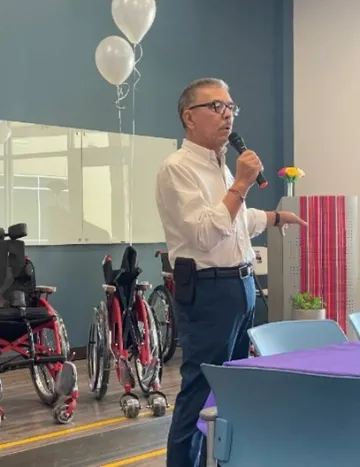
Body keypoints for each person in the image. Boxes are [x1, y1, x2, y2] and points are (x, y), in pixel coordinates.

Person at [155, 78, 307, 467]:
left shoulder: (220, 166)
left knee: (235, 390)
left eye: (231, 107)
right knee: (200, 391)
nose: (227, 114)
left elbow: (234, 221)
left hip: (241, 285)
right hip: (208, 293)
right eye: (216, 106)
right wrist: (240, 183)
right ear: (189, 117)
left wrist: (273, 216)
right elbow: (205, 233)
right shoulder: (177, 169)